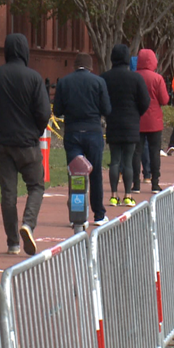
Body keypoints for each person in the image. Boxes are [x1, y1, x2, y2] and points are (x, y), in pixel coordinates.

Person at [0, 33, 51, 256]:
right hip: (28, 143)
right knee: (36, 186)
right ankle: (28, 224)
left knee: (8, 194)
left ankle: (12, 243)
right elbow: (44, 112)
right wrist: (36, 131)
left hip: (2, 143)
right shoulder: (34, 78)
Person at [53, 53, 111, 226]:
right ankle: (99, 214)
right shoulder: (98, 82)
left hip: (73, 132)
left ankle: (78, 215)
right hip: (93, 131)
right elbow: (107, 109)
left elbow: (57, 110)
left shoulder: (64, 82)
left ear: (75, 65)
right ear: (90, 67)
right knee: (95, 174)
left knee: (76, 174)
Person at [101, 44, 150, 207]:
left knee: (114, 160)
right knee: (128, 161)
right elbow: (145, 101)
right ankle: (128, 195)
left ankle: (114, 195)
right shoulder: (136, 78)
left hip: (113, 122)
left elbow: (101, 100)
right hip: (131, 123)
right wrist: (136, 113)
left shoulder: (105, 77)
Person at [134, 48, 169, 194]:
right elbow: (164, 99)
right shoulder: (157, 78)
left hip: (137, 119)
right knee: (155, 152)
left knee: (136, 152)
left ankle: (135, 184)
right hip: (154, 120)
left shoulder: (134, 77)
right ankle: (155, 182)